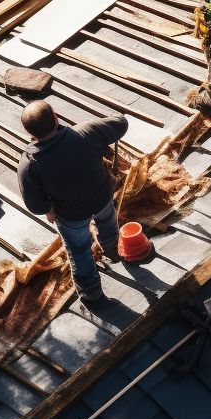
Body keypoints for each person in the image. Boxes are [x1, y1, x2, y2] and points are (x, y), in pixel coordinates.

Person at [17, 100, 128, 303]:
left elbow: (34, 205)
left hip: (71, 215)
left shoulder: (29, 164)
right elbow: (120, 124)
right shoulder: (86, 132)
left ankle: (92, 293)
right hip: (102, 197)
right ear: (56, 117)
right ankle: (114, 249)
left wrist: (49, 209)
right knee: (108, 224)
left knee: (79, 251)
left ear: (29, 133)